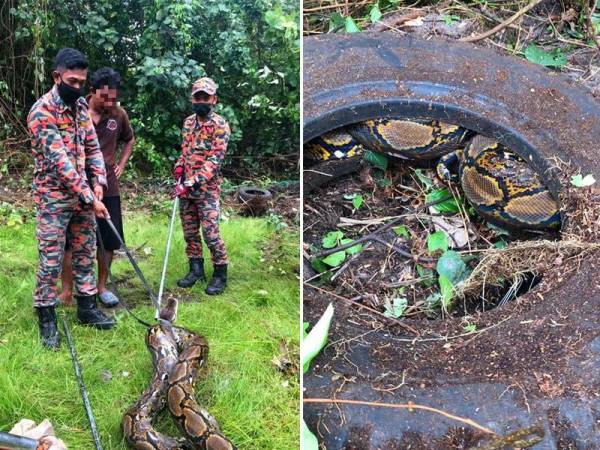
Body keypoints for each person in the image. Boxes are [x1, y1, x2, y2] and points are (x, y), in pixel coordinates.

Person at [27, 48, 115, 350]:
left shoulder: (80, 107)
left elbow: (93, 149)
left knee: (84, 252)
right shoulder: (41, 112)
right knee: (51, 259)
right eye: (72, 81)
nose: (77, 87)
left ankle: (87, 307)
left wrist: (99, 184)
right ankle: (46, 317)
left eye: (81, 82)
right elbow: (60, 162)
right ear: (57, 76)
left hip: (84, 199)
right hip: (53, 200)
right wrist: (91, 197)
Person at [60, 67, 135, 307]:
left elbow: (130, 139)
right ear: (92, 92)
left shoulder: (118, 114)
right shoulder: (75, 111)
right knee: (71, 241)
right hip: (77, 183)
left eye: (114, 97)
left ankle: (101, 287)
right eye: (105, 97)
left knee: (109, 238)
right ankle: (67, 291)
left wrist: (121, 164)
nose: (110, 102)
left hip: (108, 185)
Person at [173, 77, 230, 296]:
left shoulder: (220, 125)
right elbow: (184, 152)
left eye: (205, 97)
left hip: (206, 191)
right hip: (186, 190)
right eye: (198, 97)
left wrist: (193, 181)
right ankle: (195, 269)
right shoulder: (188, 123)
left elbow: (214, 160)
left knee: (211, 234)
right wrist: (179, 169)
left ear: (213, 99)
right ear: (192, 98)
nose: (201, 101)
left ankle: (219, 273)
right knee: (190, 233)